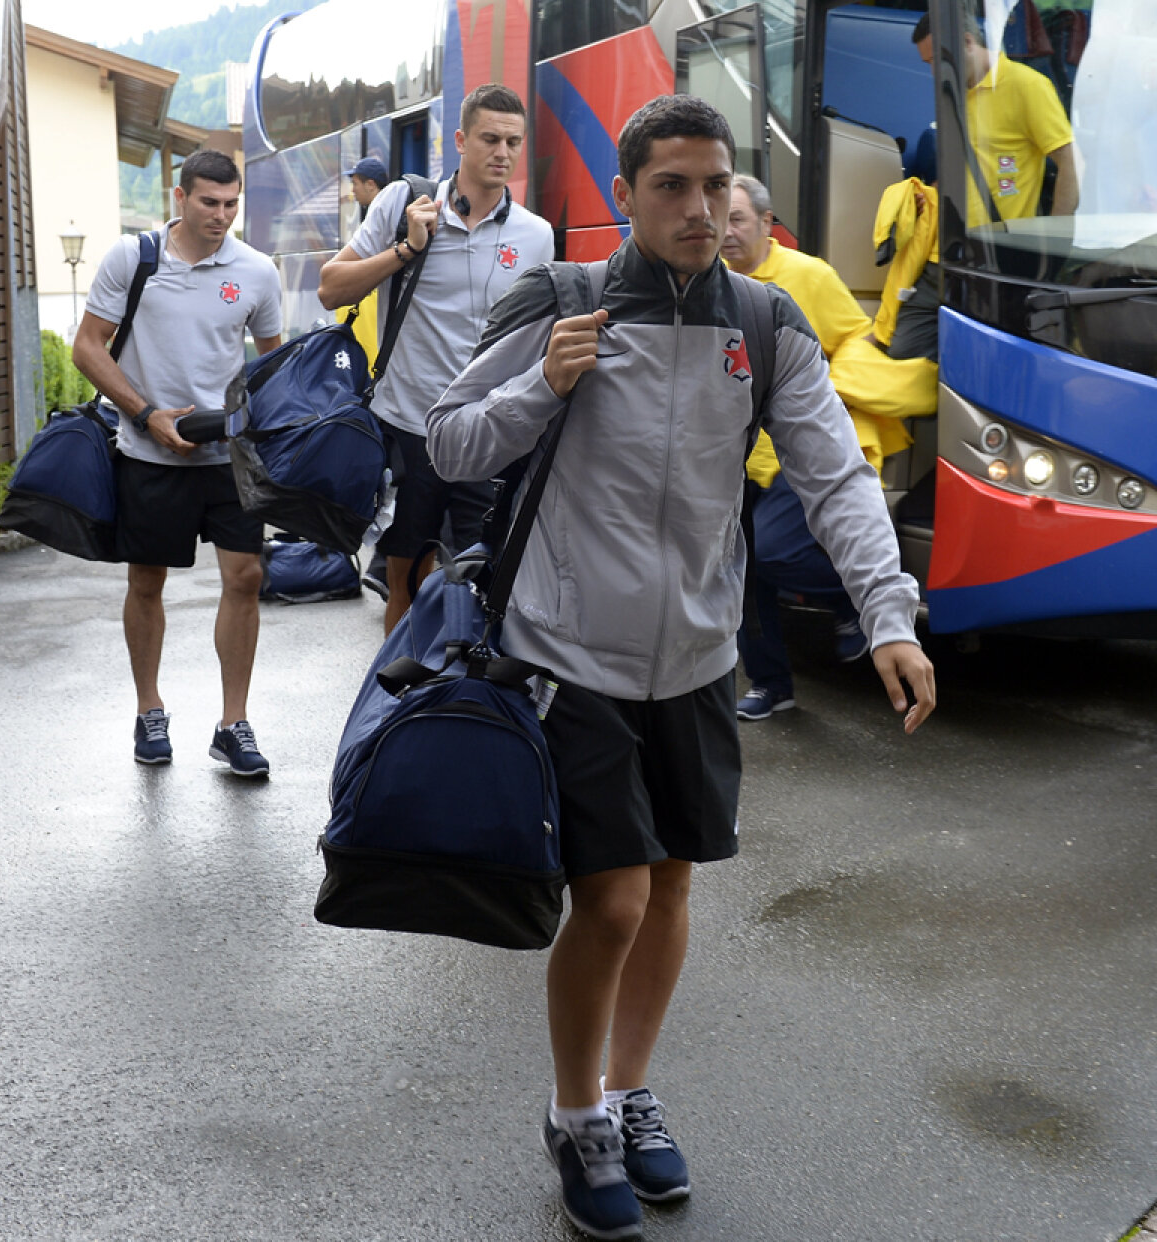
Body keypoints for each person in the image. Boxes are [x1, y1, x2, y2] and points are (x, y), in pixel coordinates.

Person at [428, 96, 936, 1240]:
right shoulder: (559, 299)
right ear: (624, 197)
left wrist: (888, 615)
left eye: (716, 186)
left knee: (670, 887)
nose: (701, 209)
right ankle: (576, 1115)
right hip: (571, 654)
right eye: (672, 187)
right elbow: (450, 438)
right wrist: (542, 387)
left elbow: (837, 478)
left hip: (698, 658)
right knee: (608, 897)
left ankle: (629, 1088)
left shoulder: (762, 321)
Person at [72, 150, 282, 776]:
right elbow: (88, 347)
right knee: (147, 582)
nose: (221, 216)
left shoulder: (256, 271)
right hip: (148, 450)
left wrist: (259, 428)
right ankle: (148, 708)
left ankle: (234, 723)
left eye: (231, 205)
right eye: (208, 203)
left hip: (228, 456)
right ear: (179, 197)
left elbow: (273, 364)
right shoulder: (132, 259)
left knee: (245, 579)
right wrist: (146, 415)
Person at [318, 83, 554, 634]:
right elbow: (331, 289)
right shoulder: (403, 204)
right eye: (490, 139)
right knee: (405, 578)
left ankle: (463, 707)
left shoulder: (537, 235)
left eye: (514, 142)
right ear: (460, 141)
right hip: (411, 425)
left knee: (485, 579)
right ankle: (395, 704)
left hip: (492, 430)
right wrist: (406, 250)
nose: (503, 153)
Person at [722, 174, 936, 721]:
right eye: (721, 218)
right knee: (745, 575)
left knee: (775, 551)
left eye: (738, 219)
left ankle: (853, 603)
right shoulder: (709, 279)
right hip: (737, 457)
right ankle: (772, 684)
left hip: (798, 449)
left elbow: (856, 339)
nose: (726, 231)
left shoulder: (807, 276)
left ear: (769, 225)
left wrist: (821, 392)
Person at [913, 11, 1077, 227]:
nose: (934, 72)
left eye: (937, 59)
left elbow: (1071, 162)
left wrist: (1058, 235)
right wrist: (931, 195)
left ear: (967, 41)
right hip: (956, 246)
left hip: (1004, 247)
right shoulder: (953, 95)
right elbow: (968, 167)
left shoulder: (1026, 85)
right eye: (928, 63)